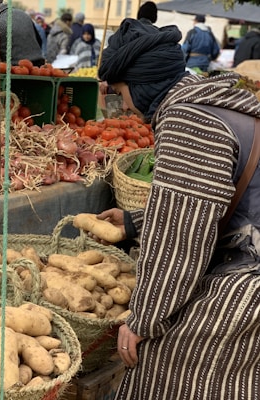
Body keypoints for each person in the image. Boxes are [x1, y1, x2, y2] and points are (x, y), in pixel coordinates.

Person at [92, 17, 260, 400]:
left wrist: (144, 320)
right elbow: (203, 204)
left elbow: (182, 239)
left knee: (163, 361)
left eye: (121, 91)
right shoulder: (215, 105)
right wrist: (135, 221)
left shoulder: (190, 120)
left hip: (249, 279)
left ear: (141, 83)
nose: (126, 105)